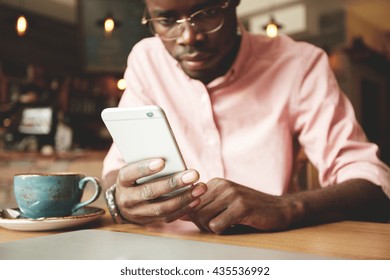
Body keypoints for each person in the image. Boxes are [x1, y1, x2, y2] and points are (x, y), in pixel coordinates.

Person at [102, 0, 390, 234]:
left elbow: (373, 186)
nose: (188, 37)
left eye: (208, 13)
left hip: (272, 250)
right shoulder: (146, 60)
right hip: (164, 253)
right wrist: (120, 199)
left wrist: (287, 208)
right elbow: (117, 173)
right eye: (166, 21)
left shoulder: (299, 64)